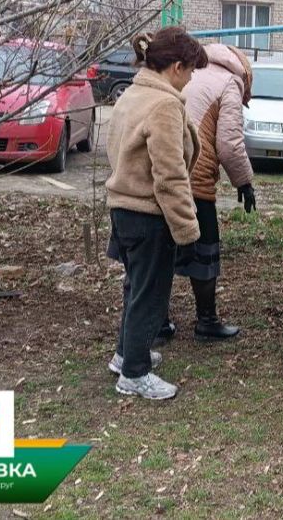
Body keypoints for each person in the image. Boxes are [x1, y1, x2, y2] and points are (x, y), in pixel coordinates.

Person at [105, 27, 208, 400]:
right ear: (177, 67)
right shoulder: (164, 105)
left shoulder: (133, 94)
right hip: (149, 215)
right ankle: (134, 373)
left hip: (123, 208)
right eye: (192, 70)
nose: (193, 78)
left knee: (136, 287)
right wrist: (188, 232)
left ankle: (125, 354)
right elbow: (170, 176)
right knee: (150, 295)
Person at [172, 43, 255, 341]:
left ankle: (156, 321)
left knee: (163, 248)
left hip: (164, 171)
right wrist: (244, 182)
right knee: (205, 248)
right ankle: (206, 321)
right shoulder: (230, 82)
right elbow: (229, 145)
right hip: (195, 176)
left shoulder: (188, 72)